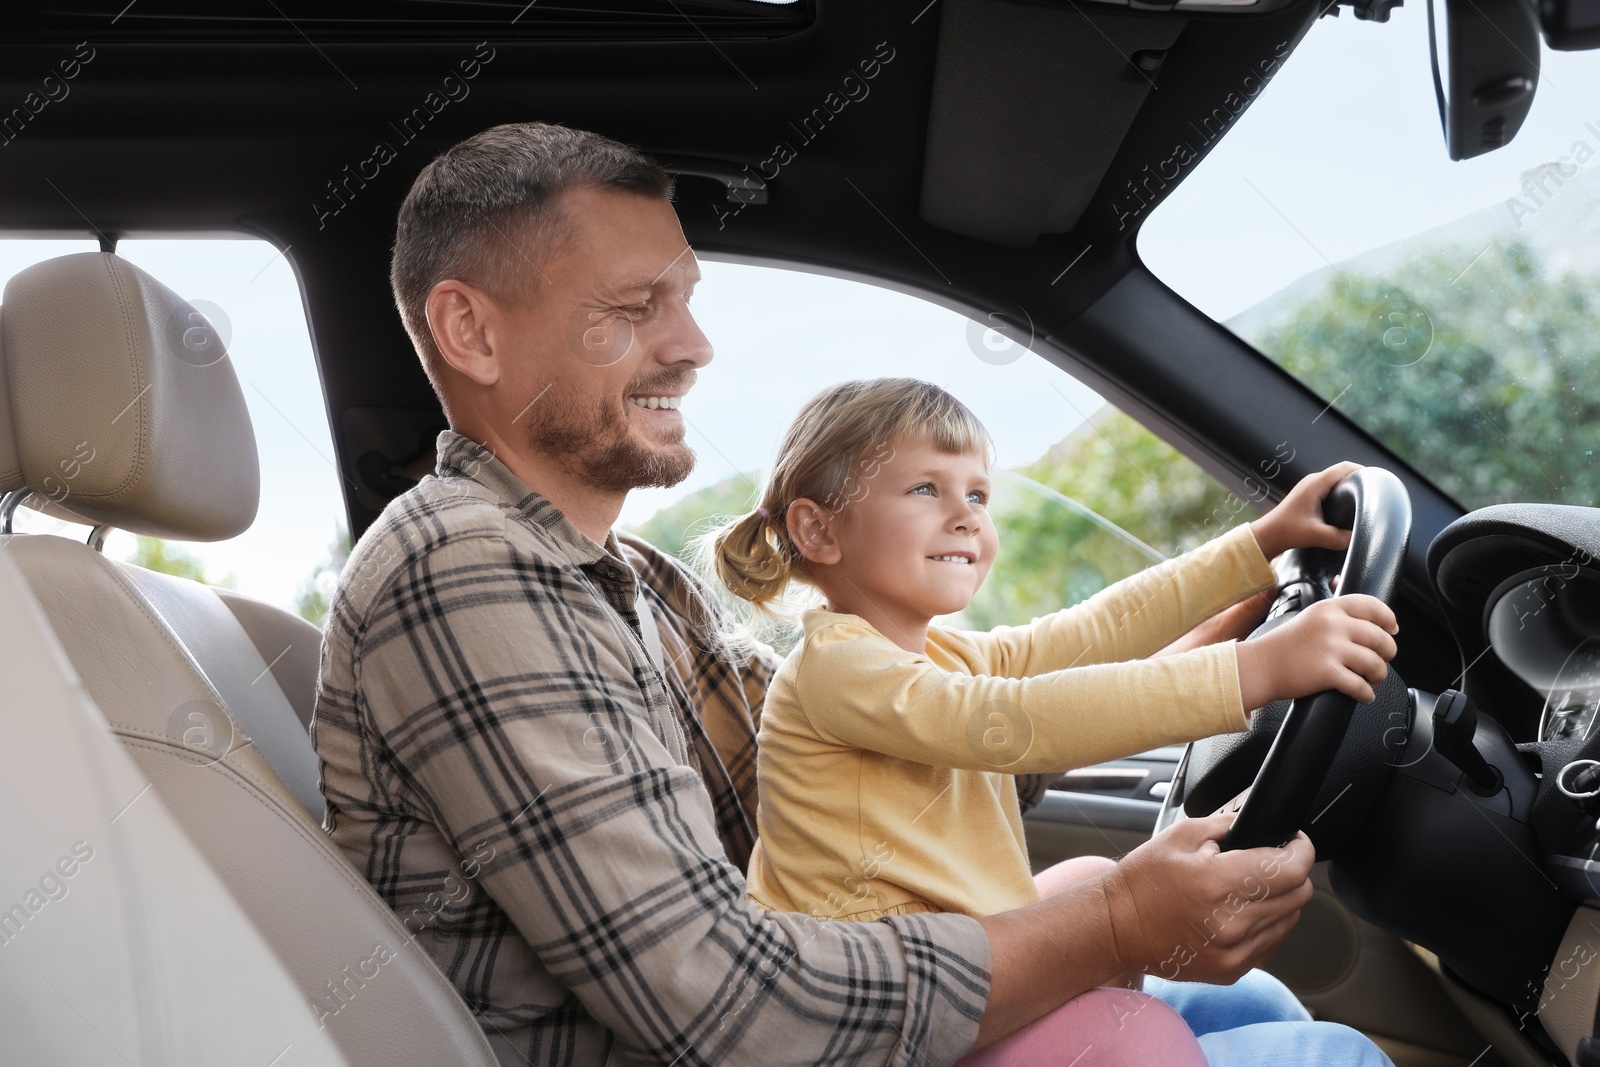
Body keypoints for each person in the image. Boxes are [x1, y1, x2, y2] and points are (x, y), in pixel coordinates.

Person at [312, 120, 1373, 1067]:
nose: (692, 346)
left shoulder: (637, 585)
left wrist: (1247, 585)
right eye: (637, 308)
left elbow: (932, 725)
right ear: (471, 331)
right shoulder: (461, 569)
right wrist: (1113, 925)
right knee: (1295, 1046)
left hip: (821, 985)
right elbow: (718, 1003)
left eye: (684, 302)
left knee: (1242, 1001)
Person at [697, 377, 1401, 1064]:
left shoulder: (936, 652)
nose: (966, 513)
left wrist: (1256, 545)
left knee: (1123, 895)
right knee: (1248, 1045)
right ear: (817, 529)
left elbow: (1087, 632)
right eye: (925, 489)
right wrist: (1259, 671)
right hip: (894, 1016)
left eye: (977, 493)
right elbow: (1025, 718)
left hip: (968, 954)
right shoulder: (835, 669)